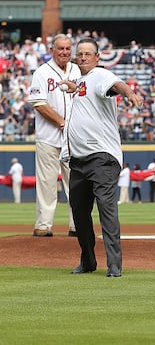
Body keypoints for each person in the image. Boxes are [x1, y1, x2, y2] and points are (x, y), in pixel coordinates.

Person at [61, 37, 144, 277]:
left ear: (98, 58)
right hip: (79, 159)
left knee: (106, 210)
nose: (84, 57)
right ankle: (88, 261)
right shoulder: (80, 81)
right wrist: (68, 86)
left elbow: (117, 84)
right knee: (79, 212)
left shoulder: (100, 75)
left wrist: (129, 93)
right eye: (81, 54)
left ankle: (114, 265)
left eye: (89, 53)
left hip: (101, 157)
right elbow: (77, 91)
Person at [27, 33, 80, 237]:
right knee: (47, 183)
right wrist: (62, 122)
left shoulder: (78, 70)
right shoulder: (42, 72)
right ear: (52, 51)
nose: (65, 52)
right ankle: (44, 224)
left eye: (68, 48)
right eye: (61, 48)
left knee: (76, 183)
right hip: (48, 137)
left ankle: (77, 224)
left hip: (74, 139)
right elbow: (39, 103)